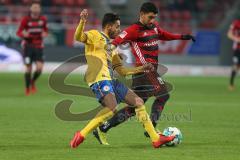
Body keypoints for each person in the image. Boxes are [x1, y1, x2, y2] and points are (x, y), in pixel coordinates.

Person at [70, 9, 175, 149]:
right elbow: (78, 37)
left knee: (138, 102)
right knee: (111, 107)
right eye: (117, 26)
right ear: (109, 26)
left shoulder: (113, 48)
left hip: (112, 80)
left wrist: (141, 69)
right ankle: (82, 134)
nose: (119, 30)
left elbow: (122, 71)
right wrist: (82, 21)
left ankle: (156, 139)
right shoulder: (95, 35)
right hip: (98, 78)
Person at [94, 2, 195, 144]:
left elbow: (165, 35)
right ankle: (152, 130)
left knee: (133, 107)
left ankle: (103, 127)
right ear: (141, 14)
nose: (152, 20)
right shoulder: (133, 30)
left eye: (154, 18)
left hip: (145, 74)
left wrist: (183, 36)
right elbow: (118, 40)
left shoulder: (154, 27)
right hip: (145, 71)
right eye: (150, 17)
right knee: (163, 96)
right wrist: (109, 48)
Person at [16, 1, 48, 95]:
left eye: (37, 8)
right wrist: (23, 34)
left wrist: (45, 34)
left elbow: (46, 30)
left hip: (38, 46)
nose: (35, 9)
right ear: (30, 9)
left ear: (40, 10)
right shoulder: (26, 20)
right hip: (28, 46)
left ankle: (32, 81)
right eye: (34, 7)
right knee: (28, 68)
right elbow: (19, 32)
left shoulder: (43, 19)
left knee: (39, 68)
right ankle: (27, 88)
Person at [227, 18, 240, 90]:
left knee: (237, 67)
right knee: (235, 65)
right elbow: (229, 34)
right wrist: (237, 39)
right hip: (237, 49)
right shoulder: (236, 23)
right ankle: (231, 84)